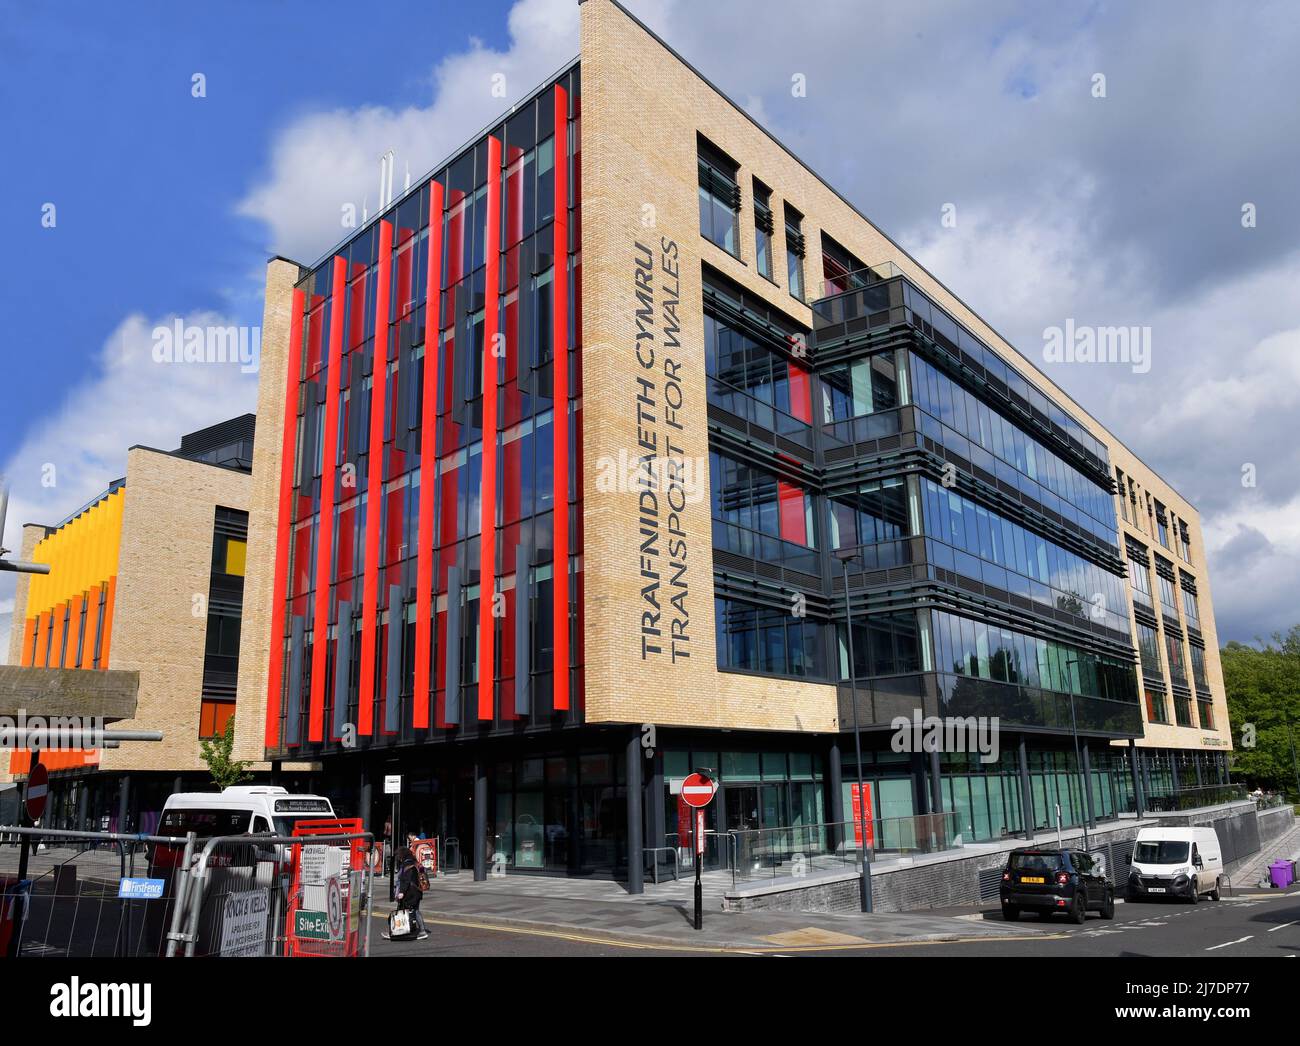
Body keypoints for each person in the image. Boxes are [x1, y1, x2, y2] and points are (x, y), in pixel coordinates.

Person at [384, 837, 429, 941]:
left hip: (409, 893)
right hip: (417, 891)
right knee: (415, 911)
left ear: (402, 856)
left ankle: (394, 932)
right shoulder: (416, 862)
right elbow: (422, 874)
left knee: (400, 912)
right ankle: (422, 931)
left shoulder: (406, 865)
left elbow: (405, 880)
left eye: (399, 856)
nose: (398, 859)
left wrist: (401, 893)